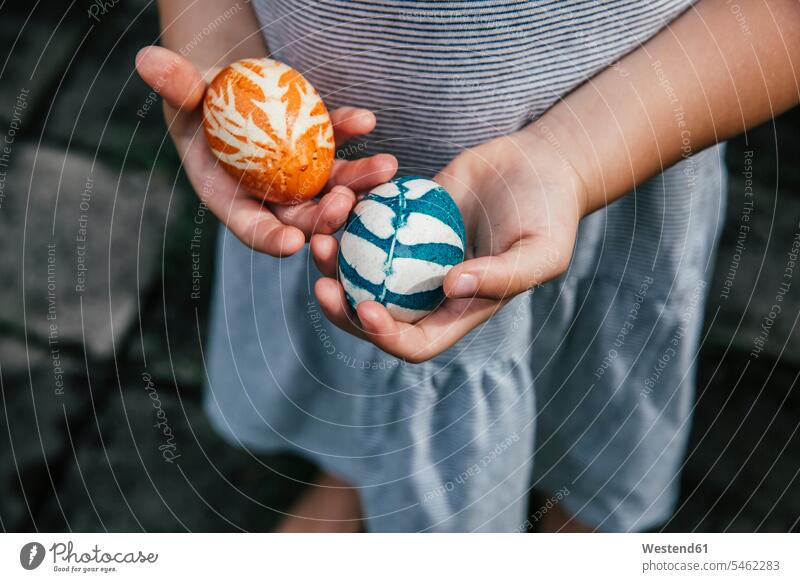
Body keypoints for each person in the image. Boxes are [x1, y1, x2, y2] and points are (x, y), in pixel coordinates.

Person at [136, 0, 800, 532]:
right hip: (323, 202)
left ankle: (577, 513)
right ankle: (365, 475)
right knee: (369, 376)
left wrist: (568, 159)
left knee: (587, 387)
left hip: (617, 149)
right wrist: (219, 49)